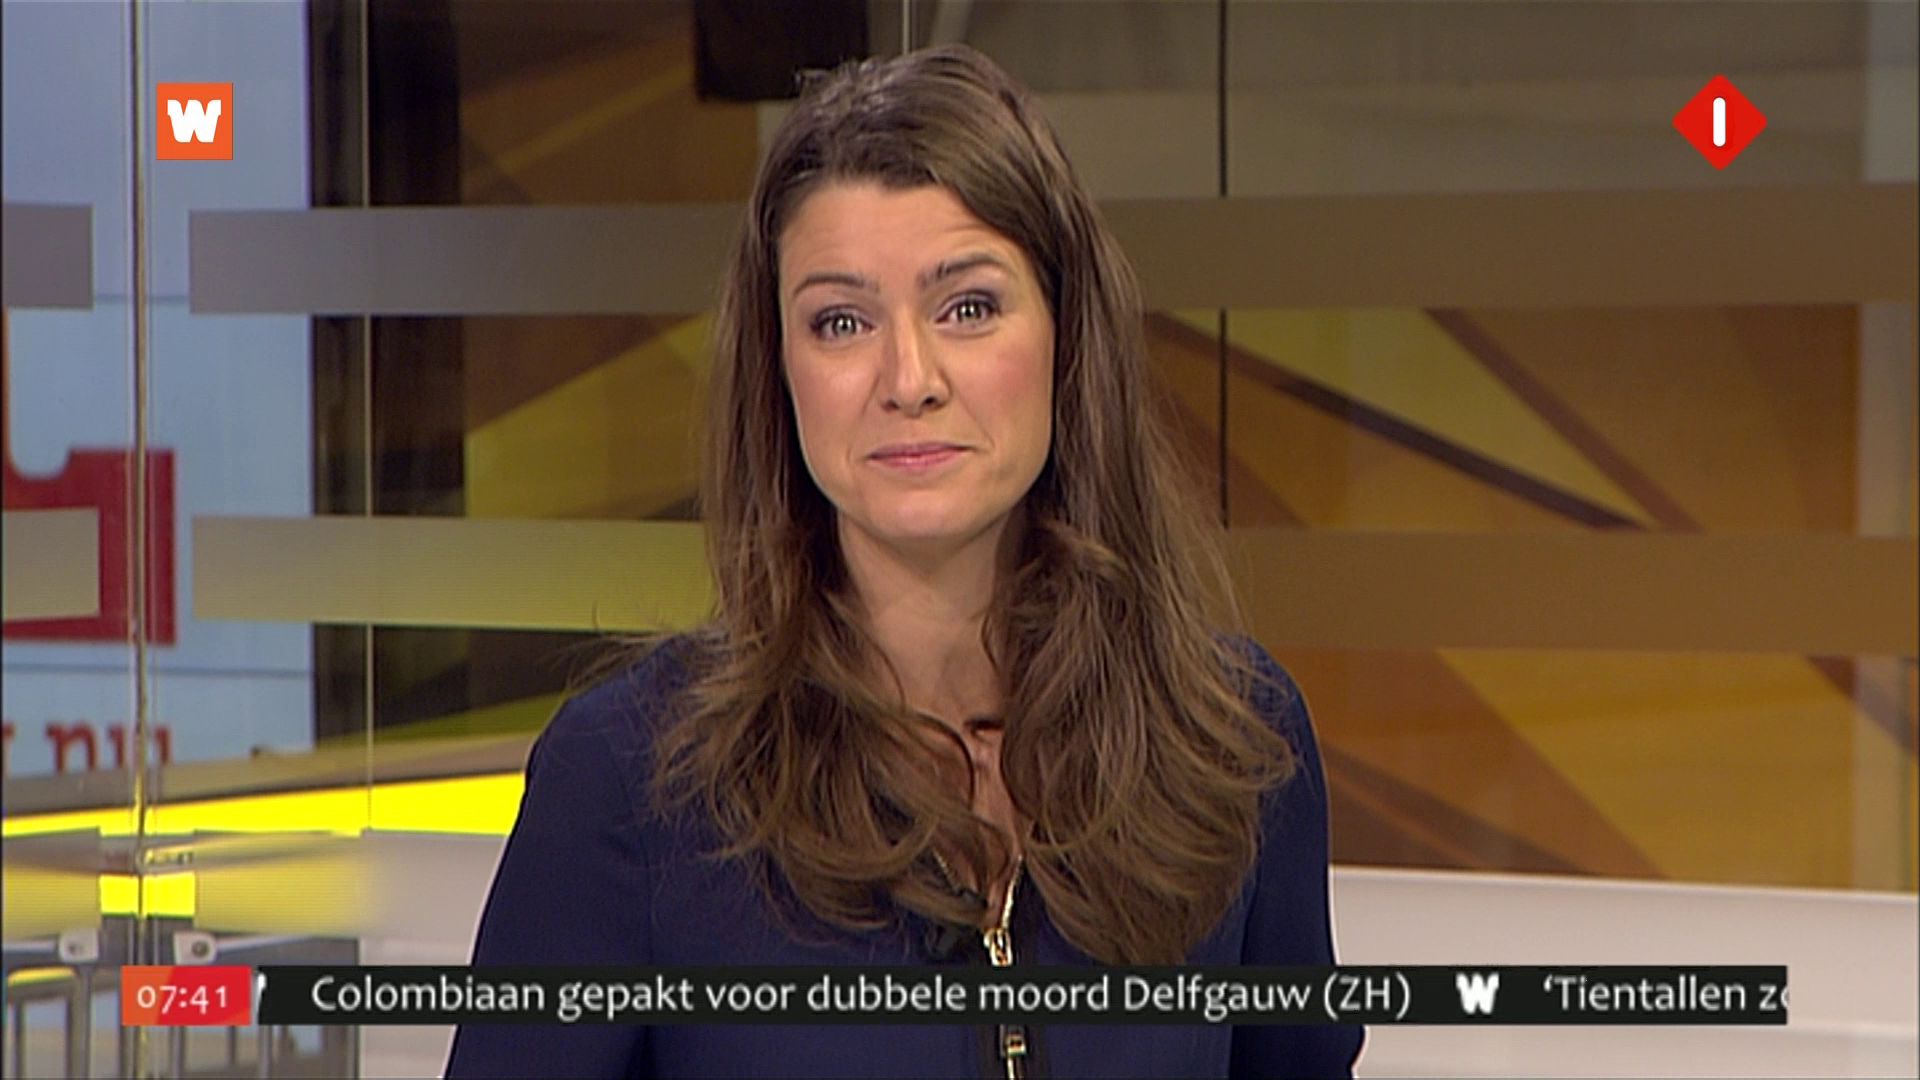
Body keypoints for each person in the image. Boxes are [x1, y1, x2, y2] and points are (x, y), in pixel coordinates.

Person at [446, 44, 1363, 1079]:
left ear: (1068, 337)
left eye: (968, 307)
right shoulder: (631, 786)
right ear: (779, 368)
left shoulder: (1234, 744)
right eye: (841, 322)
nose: (908, 378)